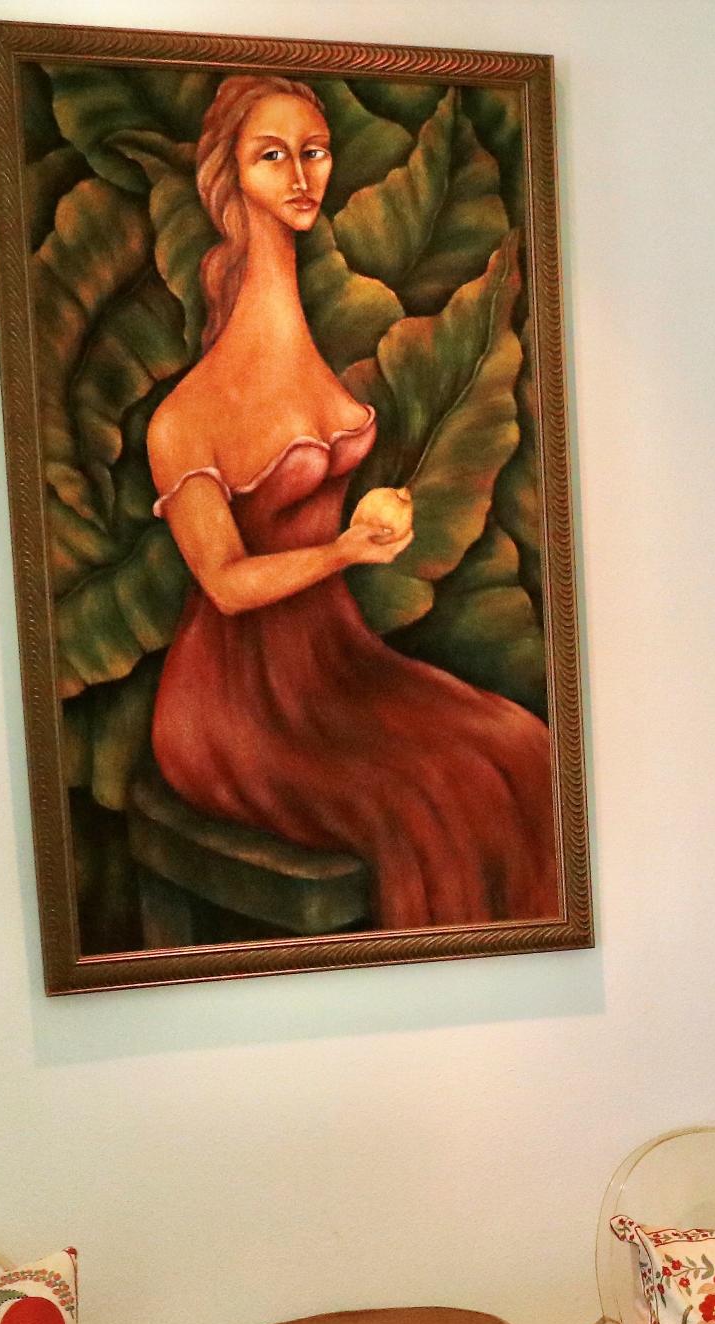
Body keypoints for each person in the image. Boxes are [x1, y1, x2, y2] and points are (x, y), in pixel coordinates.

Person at [145, 74, 556, 931]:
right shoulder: (184, 419)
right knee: (432, 796)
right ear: (230, 176)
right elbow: (224, 584)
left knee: (524, 745)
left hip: (340, 663)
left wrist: (377, 517)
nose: (301, 175)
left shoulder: (306, 353)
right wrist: (343, 551)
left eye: (315, 152)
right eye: (272, 157)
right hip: (234, 706)